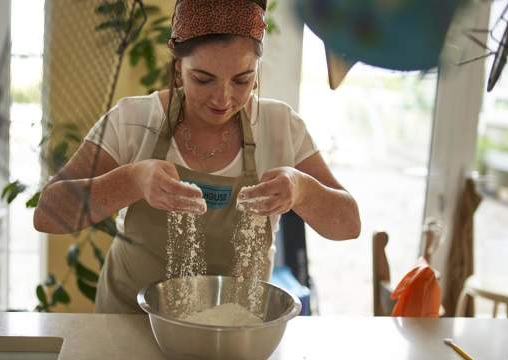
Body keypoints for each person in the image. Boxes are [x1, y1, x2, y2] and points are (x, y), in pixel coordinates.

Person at [33, 0, 360, 314]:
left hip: (234, 331)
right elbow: (48, 214)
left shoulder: (280, 126)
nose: (224, 98)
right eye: (203, 79)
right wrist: (134, 180)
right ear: (178, 70)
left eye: (242, 80)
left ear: (257, 71)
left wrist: (301, 189)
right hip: (131, 325)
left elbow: (348, 224)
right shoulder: (134, 120)